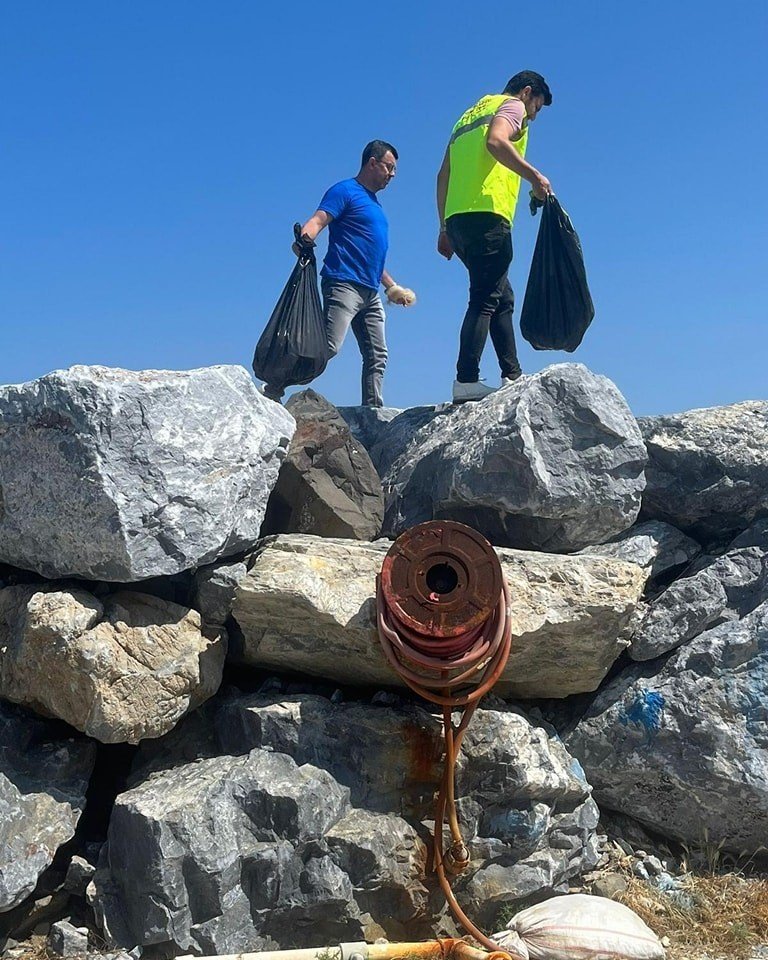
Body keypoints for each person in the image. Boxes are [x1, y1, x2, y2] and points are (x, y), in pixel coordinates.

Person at [262, 140, 414, 406]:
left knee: (378, 353)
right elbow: (318, 220)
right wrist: (303, 241)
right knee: (327, 347)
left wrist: (391, 286)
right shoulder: (345, 191)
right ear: (372, 163)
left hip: (370, 290)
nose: (392, 175)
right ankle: (275, 385)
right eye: (389, 167)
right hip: (343, 284)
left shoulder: (375, 205)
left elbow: (371, 257)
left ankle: (373, 408)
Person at [436, 70, 553, 403]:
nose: (532, 116)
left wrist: (444, 227)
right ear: (527, 92)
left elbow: (443, 173)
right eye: (536, 108)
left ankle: (512, 374)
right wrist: (535, 178)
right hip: (488, 215)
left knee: (502, 297)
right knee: (485, 298)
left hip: (459, 221)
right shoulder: (511, 106)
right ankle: (466, 380)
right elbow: (496, 141)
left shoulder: (467, 116)